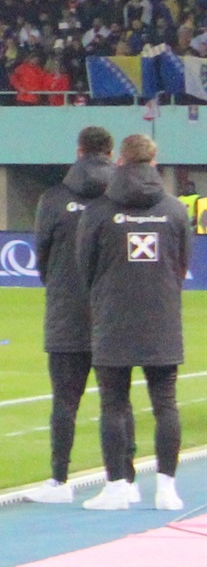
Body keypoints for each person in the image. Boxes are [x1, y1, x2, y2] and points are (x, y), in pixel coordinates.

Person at [82, 133, 188, 511]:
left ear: (120, 162)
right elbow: (182, 266)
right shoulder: (175, 210)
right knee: (166, 405)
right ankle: (167, 490)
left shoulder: (99, 210)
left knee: (113, 404)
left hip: (113, 319)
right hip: (162, 318)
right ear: (154, 163)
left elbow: (85, 266)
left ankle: (118, 487)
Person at [28, 127, 114, 501]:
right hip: (112, 313)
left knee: (64, 401)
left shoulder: (54, 198)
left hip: (66, 311)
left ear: (79, 151)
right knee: (117, 401)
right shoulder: (121, 200)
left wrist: (61, 287)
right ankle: (122, 481)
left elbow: (42, 256)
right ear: (110, 153)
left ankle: (60, 480)